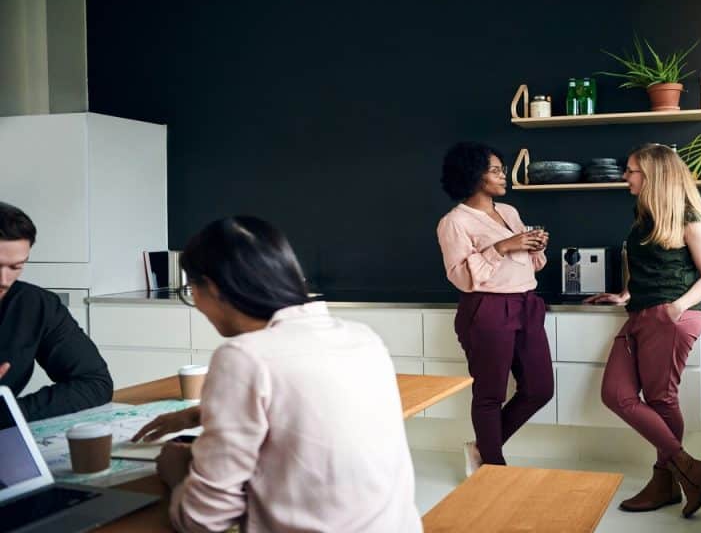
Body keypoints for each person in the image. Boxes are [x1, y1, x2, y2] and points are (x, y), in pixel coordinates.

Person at [131, 217, 420, 532]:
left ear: (212, 288)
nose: (196, 304)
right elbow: (308, 409)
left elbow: (203, 519)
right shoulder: (361, 336)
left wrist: (177, 474)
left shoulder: (243, 357)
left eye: (191, 289)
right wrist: (204, 415)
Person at [585, 143, 701, 519]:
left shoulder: (689, 220)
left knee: (662, 399)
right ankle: (687, 469)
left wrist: (676, 308)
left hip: (672, 316)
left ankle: (665, 481)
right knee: (616, 393)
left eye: (631, 170)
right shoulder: (643, 216)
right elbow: (644, 264)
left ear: (654, 174)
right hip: (641, 313)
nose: (625, 176)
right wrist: (625, 293)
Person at [436, 141, 554, 474]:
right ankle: (493, 468)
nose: (505, 176)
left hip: (527, 304)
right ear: (474, 175)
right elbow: (460, 277)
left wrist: (533, 247)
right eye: (497, 170)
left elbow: (529, 265)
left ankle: (482, 448)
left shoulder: (510, 212)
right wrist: (503, 246)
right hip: (486, 308)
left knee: (540, 388)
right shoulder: (454, 222)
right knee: (490, 393)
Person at [0, 201, 112, 421]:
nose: (4, 281)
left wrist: (11, 413)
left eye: (16, 267)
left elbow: (95, 383)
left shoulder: (36, 305)